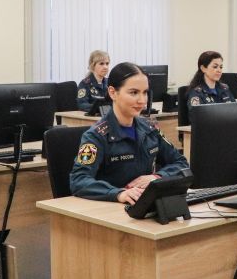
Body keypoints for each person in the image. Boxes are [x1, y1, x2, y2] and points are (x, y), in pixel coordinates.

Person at [70, 62, 190, 203]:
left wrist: (156, 177)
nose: (142, 101)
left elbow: (181, 163)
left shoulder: (150, 129)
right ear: (112, 92)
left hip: (146, 203)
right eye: (133, 92)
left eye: (145, 92)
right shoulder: (96, 136)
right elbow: (79, 180)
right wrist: (118, 193)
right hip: (113, 207)